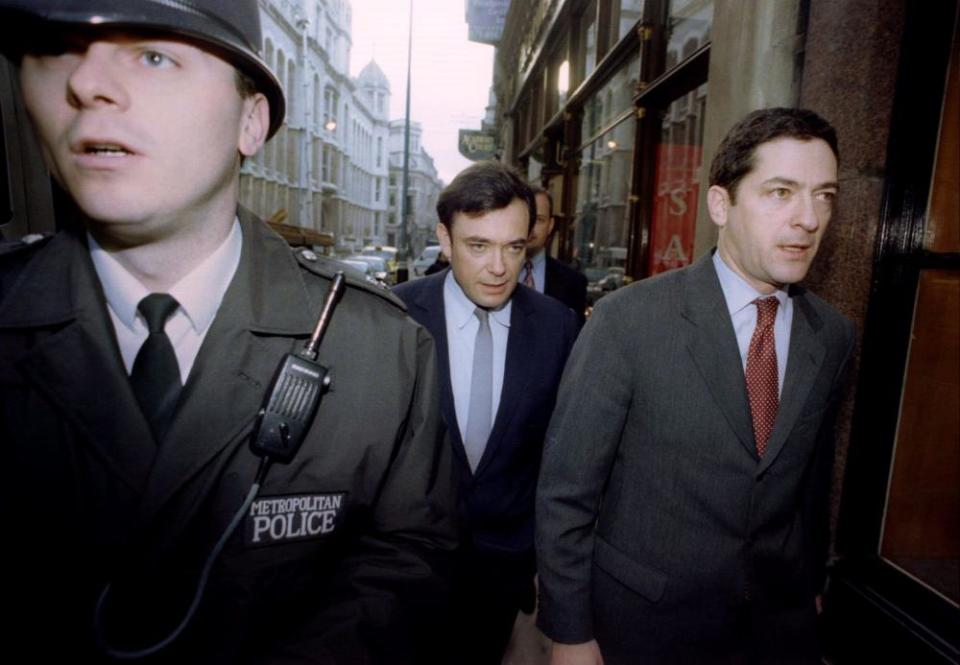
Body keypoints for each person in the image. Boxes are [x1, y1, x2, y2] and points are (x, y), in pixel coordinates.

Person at [0, 1, 458, 662]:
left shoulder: (381, 350)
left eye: (153, 55)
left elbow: (408, 562)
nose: (85, 83)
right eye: (56, 49)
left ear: (251, 120)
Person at [535, 108, 856, 665]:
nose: (808, 218)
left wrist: (809, 584)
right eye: (781, 192)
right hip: (644, 627)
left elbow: (810, 479)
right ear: (720, 204)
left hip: (778, 632)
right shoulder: (628, 321)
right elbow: (566, 493)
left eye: (823, 195)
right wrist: (569, 632)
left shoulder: (832, 334)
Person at [394, 161, 578, 665]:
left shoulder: (557, 328)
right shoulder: (395, 318)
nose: (500, 267)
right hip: (401, 570)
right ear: (445, 241)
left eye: (514, 247)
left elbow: (562, 458)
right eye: (479, 245)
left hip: (503, 574)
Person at [520, 188, 588, 326]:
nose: (531, 227)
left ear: (550, 225)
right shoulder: (495, 273)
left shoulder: (574, 283)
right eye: (526, 217)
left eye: (539, 220)